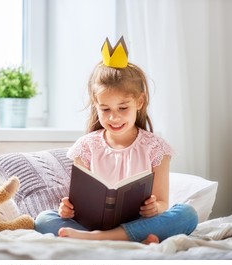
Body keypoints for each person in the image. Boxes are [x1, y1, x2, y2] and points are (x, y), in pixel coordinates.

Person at [34, 37, 198, 243]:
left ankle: (102, 239)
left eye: (122, 108)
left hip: (138, 223)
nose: (114, 117)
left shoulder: (156, 149)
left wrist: (155, 207)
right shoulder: (85, 147)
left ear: (139, 101)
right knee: (44, 218)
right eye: (105, 109)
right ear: (96, 104)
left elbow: (163, 203)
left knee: (187, 214)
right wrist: (67, 210)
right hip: (92, 224)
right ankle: (124, 239)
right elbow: (78, 203)